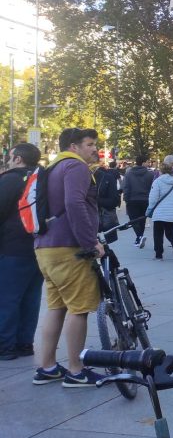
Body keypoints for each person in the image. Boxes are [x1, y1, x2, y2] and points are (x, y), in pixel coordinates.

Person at [33, 128, 106, 387]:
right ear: (73, 147)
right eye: (89, 144)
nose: (93, 149)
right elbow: (75, 203)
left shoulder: (51, 168)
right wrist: (91, 242)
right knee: (79, 309)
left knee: (56, 307)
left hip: (45, 247)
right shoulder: (75, 168)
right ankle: (76, 371)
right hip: (69, 248)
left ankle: (48, 366)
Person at [0, 143, 43, 360]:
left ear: (18, 159)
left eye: (10, 156)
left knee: (7, 298)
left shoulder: (11, 179)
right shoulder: (41, 179)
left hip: (12, 247)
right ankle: (25, 344)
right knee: (31, 298)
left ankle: (5, 346)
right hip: (38, 247)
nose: (8, 160)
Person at [146, 160, 173, 261]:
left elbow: (153, 198)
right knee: (170, 233)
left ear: (161, 171)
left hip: (160, 213)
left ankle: (159, 255)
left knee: (158, 234)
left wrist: (150, 209)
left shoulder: (157, 182)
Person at [122, 154, 153, 248]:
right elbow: (152, 188)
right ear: (143, 162)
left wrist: (126, 199)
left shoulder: (129, 173)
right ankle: (139, 237)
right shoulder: (150, 174)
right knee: (142, 219)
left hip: (132, 199)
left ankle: (139, 236)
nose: (149, 163)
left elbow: (126, 187)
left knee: (133, 220)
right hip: (145, 199)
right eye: (147, 162)